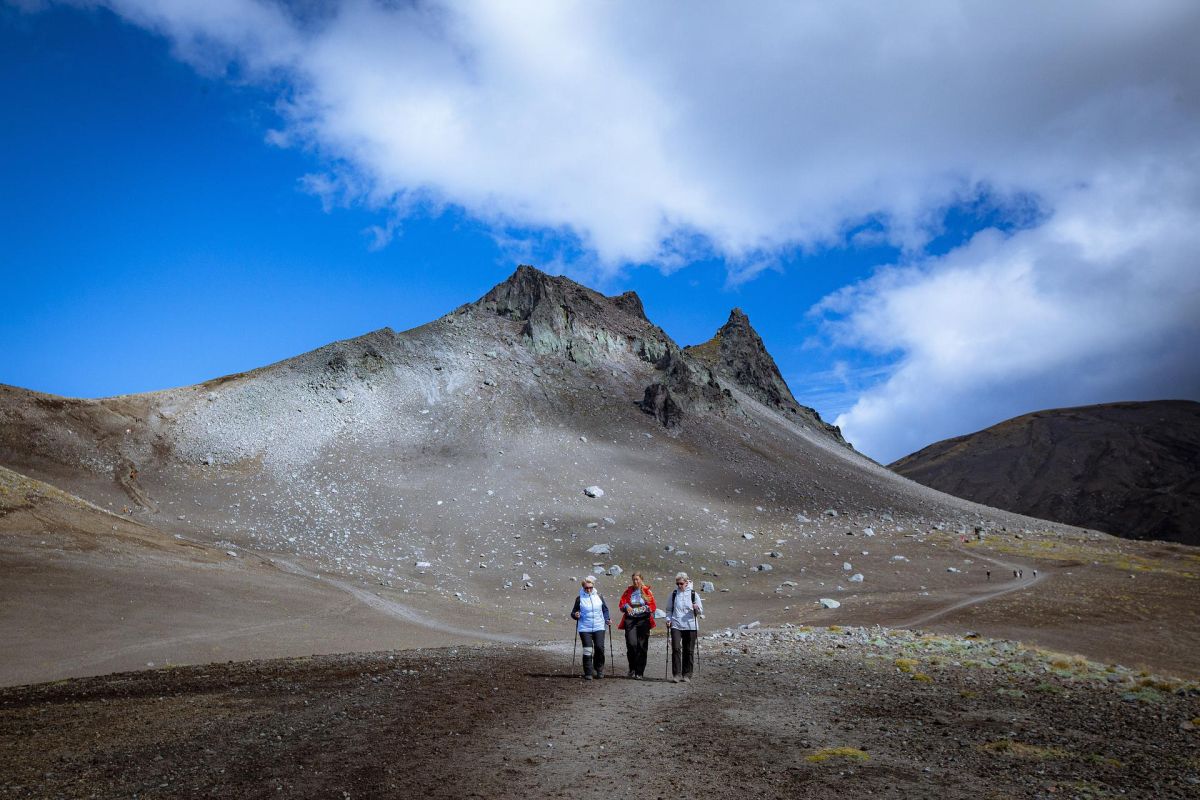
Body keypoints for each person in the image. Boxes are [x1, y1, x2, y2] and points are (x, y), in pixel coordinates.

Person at [665, 571, 703, 683]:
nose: (679, 585)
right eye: (677, 583)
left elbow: (700, 611)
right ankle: (676, 674)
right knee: (676, 648)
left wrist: (696, 608)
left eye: (681, 583)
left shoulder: (693, 594)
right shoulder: (673, 594)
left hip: (690, 625)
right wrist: (668, 619)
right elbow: (669, 610)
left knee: (689, 650)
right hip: (676, 624)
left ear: (686, 582)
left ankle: (687, 674)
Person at [570, 575, 610, 680]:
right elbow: (573, 612)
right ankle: (588, 672)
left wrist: (607, 619)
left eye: (590, 587)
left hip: (599, 626)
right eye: (586, 588)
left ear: (593, 586)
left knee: (599, 648)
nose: (588, 590)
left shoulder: (599, 596)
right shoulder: (579, 599)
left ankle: (599, 670)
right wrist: (575, 615)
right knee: (587, 650)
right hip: (584, 628)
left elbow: (605, 610)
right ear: (583, 587)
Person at [617, 572, 657, 679]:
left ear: (641, 580)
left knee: (642, 646)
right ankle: (632, 668)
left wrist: (645, 608)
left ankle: (639, 672)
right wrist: (626, 606)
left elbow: (653, 606)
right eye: (634, 579)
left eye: (637, 579)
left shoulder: (647, 591)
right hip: (630, 620)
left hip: (643, 620)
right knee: (631, 644)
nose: (635, 581)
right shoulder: (628, 591)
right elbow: (621, 604)